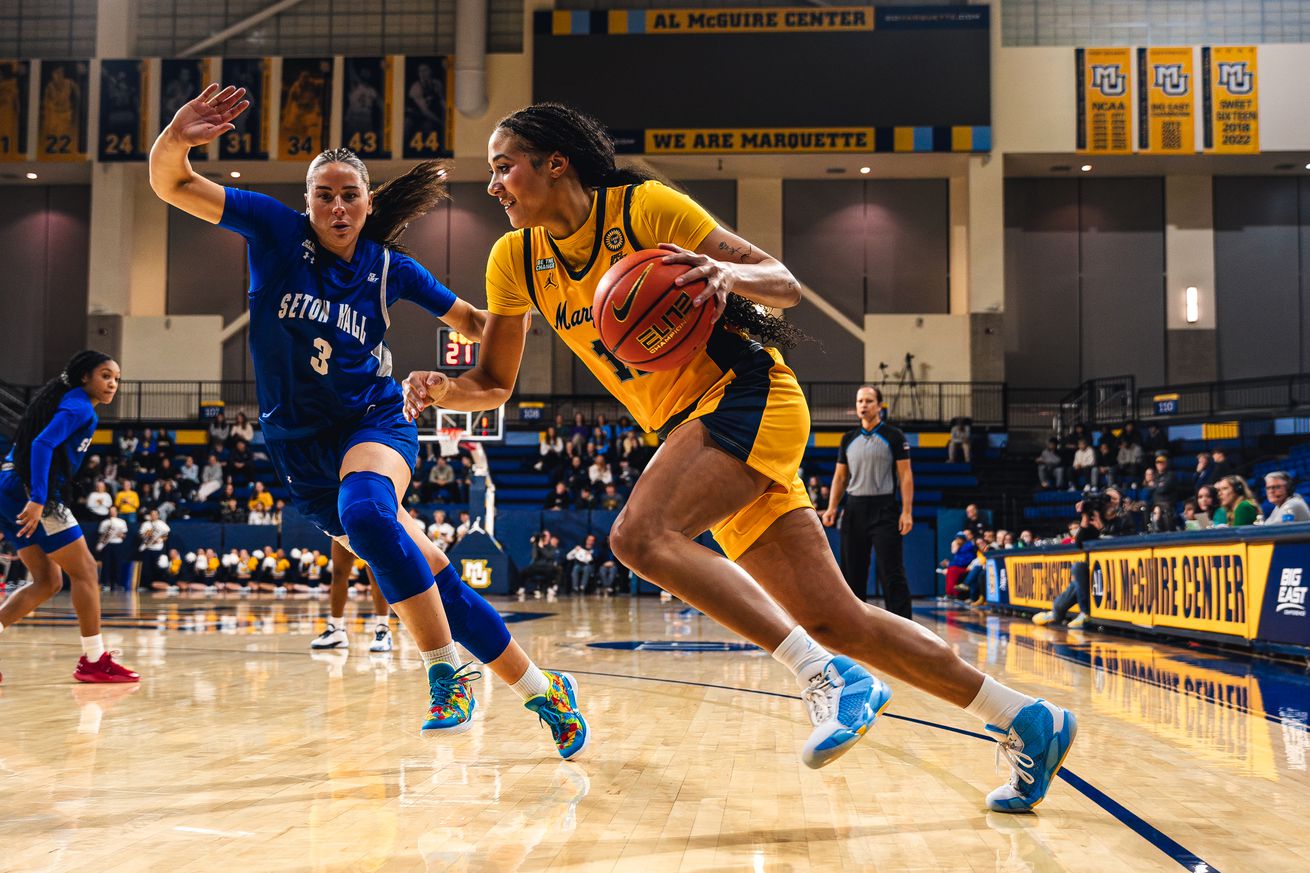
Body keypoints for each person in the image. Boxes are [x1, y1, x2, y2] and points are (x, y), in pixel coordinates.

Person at [401, 102, 1075, 809]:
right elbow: (494, 382)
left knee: (638, 536)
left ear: (554, 162)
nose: (494, 185)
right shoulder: (515, 259)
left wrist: (727, 279)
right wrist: (441, 385)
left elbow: (783, 283)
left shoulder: (643, 211)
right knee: (838, 618)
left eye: (504, 167)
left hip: (749, 394)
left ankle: (825, 675)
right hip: (698, 428)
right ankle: (1026, 719)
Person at [149, 84, 587, 756]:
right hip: (299, 453)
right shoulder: (273, 231)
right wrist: (176, 136)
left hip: (375, 422)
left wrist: (540, 301)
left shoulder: (391, 269)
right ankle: (542, 689)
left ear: (369, 202)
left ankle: (445, 674)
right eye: (323, 193)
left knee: (369, 513)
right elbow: (173, 183)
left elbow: (475, 322)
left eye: (349, 193)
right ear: (306, 202)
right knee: (430, 574)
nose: (337, 205)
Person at [0, 351, 139, 684]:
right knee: (87, 570)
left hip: (8, 486)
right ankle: (94, 660)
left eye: (116, 379)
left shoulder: (71, 400)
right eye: (105, 375)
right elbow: (42, 443)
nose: (112, 384)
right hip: (31, 494)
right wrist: (37, 498)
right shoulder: (78, 407)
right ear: (84, 377)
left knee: (49, 581)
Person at [821, 386, 915, 618]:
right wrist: (832, 507)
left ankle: (903, 626)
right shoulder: (848, 439)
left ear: (879, 405)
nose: (863, 405)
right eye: (860, 401)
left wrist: (907, 511)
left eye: (869, 401)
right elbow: (840, 477)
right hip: (854, 510)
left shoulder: (894, 436)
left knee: (891, 573)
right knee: (852, 573)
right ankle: (854, 626)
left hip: (885, 510)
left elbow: (905, 476)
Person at [1032, 488, 1136, 630]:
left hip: (1118, 571)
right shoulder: (1095, 517)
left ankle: (1071, 612)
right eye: (1107, 497)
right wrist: (1085, 519)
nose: (1109, 502)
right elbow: (1079, 544)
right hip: (1097, 569)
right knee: (1079, 568)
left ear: (1121, 503)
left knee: (1079, 570)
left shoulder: (1126, 518)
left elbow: (1122, 543)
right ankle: (1060, 611)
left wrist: (1102, 527)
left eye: (1113, 499)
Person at [311, 539, 395, 653]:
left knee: (375, 572)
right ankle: (337, 629)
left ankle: (383, 629)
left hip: (369, 524)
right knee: (338, 573)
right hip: (342, 524)